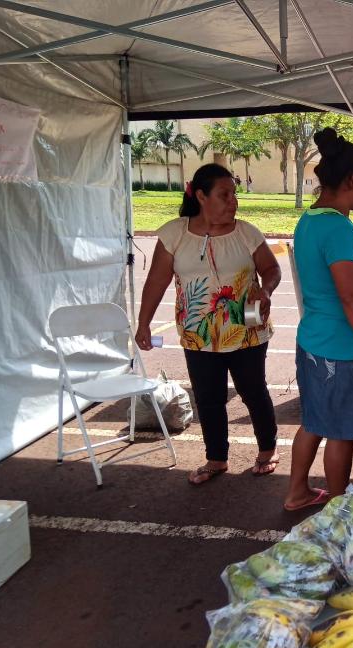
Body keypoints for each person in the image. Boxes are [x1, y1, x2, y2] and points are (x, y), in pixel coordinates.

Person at [136, 163, 282, 485]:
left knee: (253, 391)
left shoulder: (247, 233)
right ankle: (216, 459)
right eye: (224, 194)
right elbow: (156, 282)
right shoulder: (174, 234)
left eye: (234, 194)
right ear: (201, 196)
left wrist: (265, 289)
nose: (233, 201)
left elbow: (272, 269)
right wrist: (143, 323)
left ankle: (267, 450)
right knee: (208, 396)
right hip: (197, 335)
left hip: (246, 330)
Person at [284, 128, 353, 511]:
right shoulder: (338, 228)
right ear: (351, 180)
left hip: (317, 340)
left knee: (316, 420)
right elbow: (350, 295)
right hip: (341, 350)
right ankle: (340, 508)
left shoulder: (311, 219)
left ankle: (297, 491)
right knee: (340, 431)